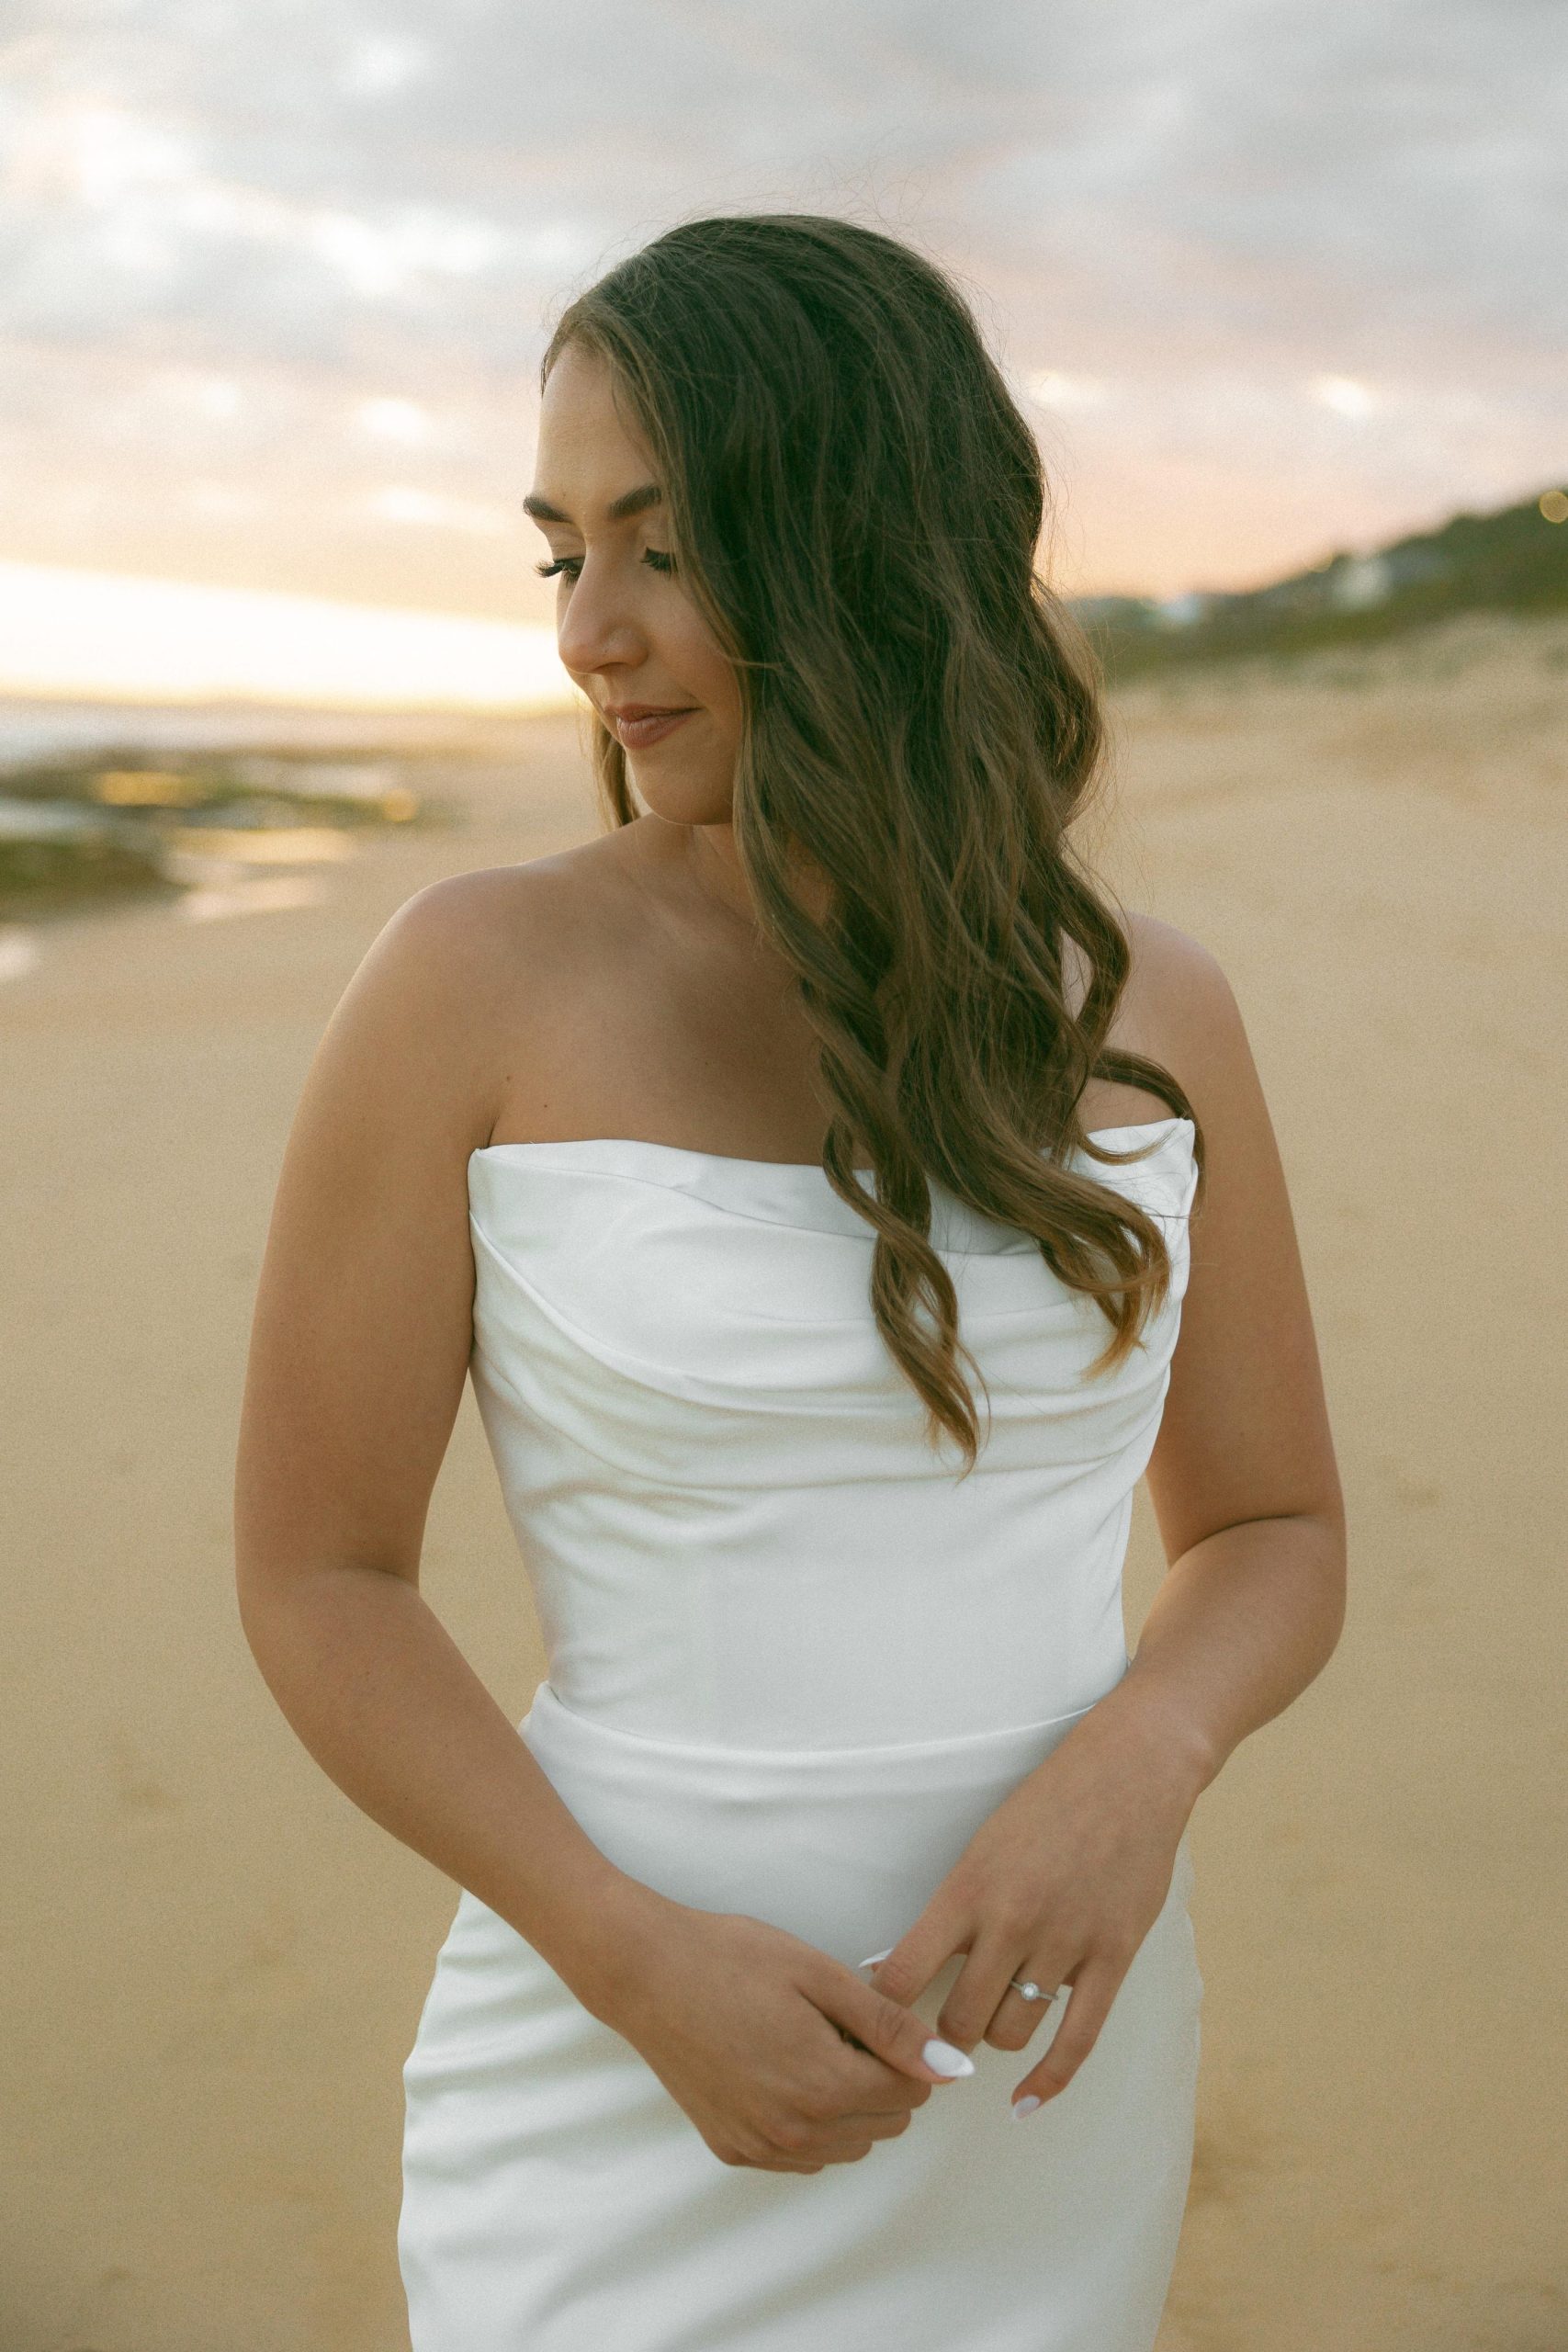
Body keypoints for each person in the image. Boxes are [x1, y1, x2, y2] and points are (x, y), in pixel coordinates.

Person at [234, 213, 1346, 2352]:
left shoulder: (1151, 1011)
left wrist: (1147, 1752)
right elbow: (320, 1579)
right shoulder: (468, 980)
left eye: (662, 545)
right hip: (613, 2055)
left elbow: (1273, 1527)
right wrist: (629, 1955)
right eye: (560, 553)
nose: (591, 634)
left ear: (865, 539)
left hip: (1036, 2068)